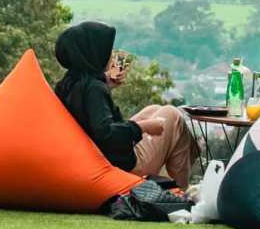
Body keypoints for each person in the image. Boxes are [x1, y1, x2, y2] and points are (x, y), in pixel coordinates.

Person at [54, 21, 196, 188]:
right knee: (172, 115)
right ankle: (182, 191)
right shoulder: (94, 88)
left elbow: (88, 116)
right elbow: (105, 133)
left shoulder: (68, 84)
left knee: (154, 109)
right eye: (106, 49)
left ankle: (180, 178)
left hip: (95, 157)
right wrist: (142, 127)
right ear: (93, 53)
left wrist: (106, 85)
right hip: (120, 165)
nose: (110, 54)